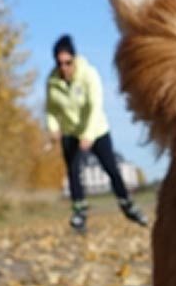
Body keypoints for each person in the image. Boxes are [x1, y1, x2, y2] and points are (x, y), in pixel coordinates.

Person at [45, 34, 147, 230]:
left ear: (74, 59)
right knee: (74, 172)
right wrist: (53, 128)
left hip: (96, 130)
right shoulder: (52, 82)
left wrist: (89, 135)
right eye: (60, 64)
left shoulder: (88, 74)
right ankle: (79, 212)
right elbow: (51, 109)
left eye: (68, 62)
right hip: (71, 132)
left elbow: (95, 107)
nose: (64, 68)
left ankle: (127, 203)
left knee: (111, 168)